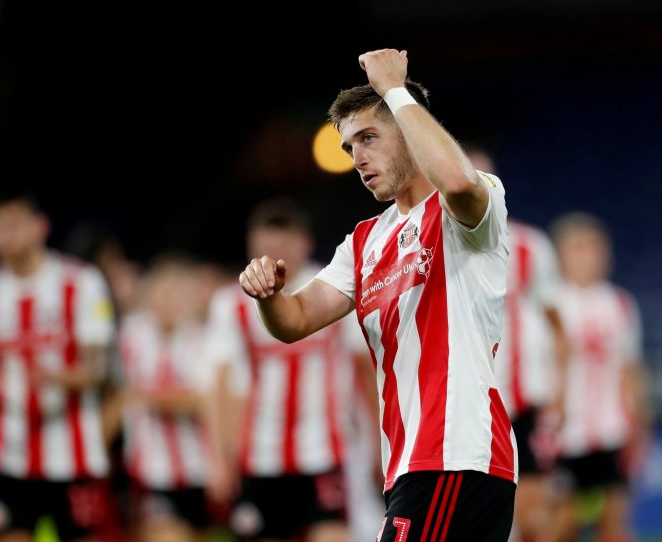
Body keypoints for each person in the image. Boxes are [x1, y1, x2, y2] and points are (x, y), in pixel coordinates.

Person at [239, 49, 517, 541]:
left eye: (369, 137)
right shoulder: (365, 241)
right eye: (350, 146)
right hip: (414, 463)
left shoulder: (468, 205)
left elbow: (456, 180)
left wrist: (394, 89)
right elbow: (295, 320)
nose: (358, 158)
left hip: (454, 452)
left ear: (408, 129)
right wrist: (267, 296)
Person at [206, 199, 371, 542]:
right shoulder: (230, 303)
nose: (276, 253)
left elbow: (364, 369)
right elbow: (220, 384)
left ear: (304, 243)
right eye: (268, 244)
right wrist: (220, 458)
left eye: (285, 244)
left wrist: (379, 442)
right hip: (260, 455)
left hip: (324, 451)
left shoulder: (334, 288)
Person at [0, 193, 115, 542]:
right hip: (8, 455)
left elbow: (98, 370)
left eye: (12, 225)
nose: (3, 236)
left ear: (40, 226)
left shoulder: (82, 282)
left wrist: (56, 378)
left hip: (72, 453)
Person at [466, 146, 570, 542]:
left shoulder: (530, 246)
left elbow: (558, 326)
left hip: (525, 402)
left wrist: (560, 395)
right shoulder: (430, 244)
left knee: (532, 515)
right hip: (466, 404)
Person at [549, 213, 650, 542]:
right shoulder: (550, 304)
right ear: (562, 254)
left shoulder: (620, 304)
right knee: (561, 524)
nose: (591, 256)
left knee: (614, 522)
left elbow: (630, 370)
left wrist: (640, 427)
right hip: (563, 436)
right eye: (580, 248)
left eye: (596, 247)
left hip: (612, 430)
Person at [119, 255, 211, 542]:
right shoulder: (132, 335)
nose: (169, 302)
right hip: (151, 469)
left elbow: (201, 402)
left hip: (199, 467)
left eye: (177, 293)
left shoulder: (202, 340)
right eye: (163, 293)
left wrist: (151, 397)